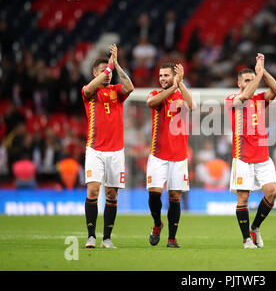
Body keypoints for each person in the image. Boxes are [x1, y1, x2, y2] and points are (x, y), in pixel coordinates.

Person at [82, 44, 134, 249]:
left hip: (116, 151)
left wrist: (117, 65)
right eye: (104, 71)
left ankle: (107, 238)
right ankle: (91, 236)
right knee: (93, 190)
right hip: (95, 149)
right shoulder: (89, 92)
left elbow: (130, 87)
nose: (108, 75)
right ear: (95, 73)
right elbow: (88, 88)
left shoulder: (116, 92)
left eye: (109, 72)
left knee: (112, 194)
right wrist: (107, 68)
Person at [225, 53, 276, 249]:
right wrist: (257, 76)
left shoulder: (260, 99)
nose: (249, 83)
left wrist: (263, 72)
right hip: (242, 157)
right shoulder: (233, 99)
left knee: (272, 192)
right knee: (243, 198)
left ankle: (255, 228)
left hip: (262, 156)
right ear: (238, 83)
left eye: (251, 79)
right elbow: (246, 95)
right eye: (246, 80)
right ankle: (246, 239)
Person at [146, 62, 196, 248]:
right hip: (158, 155)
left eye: (166, 75)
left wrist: (180, 84)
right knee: (154, 194)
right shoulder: (155, 95)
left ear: (174, 76)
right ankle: (157, 223)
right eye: (161, 76)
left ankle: (172, 238)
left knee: (175, 196)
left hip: (179, 156)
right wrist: (174, 85)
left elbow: (193, 106)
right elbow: (151, 103)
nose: (162, 79)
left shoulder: (181, 96)